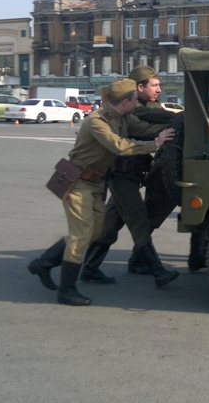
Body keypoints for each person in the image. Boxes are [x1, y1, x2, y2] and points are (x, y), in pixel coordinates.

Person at [27, 78, 175, 306]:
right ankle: (66, 290)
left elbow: (144, 128)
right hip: (77, 181)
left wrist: (174, 128)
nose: (139, 101)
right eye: (135, 98)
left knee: (96, 232)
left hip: (95, 183)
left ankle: (44, 263)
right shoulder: (97, 122)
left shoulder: (123, 117)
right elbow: (119, 145)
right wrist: (156, 143)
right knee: (82, 235)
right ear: (126, 101)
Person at [81, 66, 183, 285]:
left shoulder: (145, 106)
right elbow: (150, 121)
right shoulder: (130, 107)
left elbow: (152, 125)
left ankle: (90, 267)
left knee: (109, 226)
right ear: (138, 87)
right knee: (138, 221)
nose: (159, 89)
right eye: (154, 85)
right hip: (121, 174)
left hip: (133, 175)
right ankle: (157, 271)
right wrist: (179, 119)